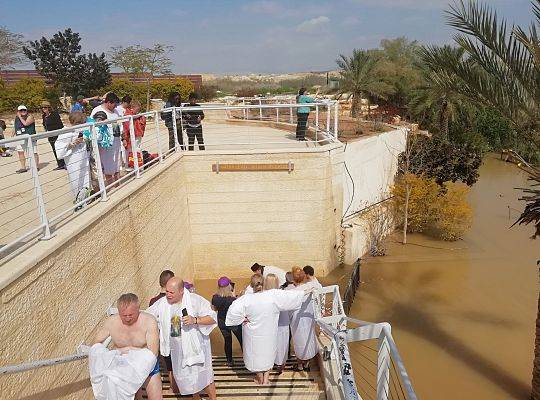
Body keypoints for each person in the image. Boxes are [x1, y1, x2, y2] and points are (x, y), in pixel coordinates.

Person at [147, 277, 218, 400]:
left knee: (205, 378)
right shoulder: (162, 304)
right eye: (167, 291)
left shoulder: (195, 301)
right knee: (189, 383)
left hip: (196, 348)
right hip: (177, 352)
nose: (167, 295)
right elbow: (147, 315)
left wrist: (195, 320)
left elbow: (212, 318)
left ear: (181, 291)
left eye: (171, 292)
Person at [226, 274, 303, 385]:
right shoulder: (273, 296)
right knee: (268, 354)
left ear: (251, 285)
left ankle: (259, 379)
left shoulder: (245, 299)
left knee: (255, 354)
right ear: (263, 283)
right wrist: (306, 290)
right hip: (269, 332)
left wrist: (242, 319)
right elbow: (291, 297)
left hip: (253, 334)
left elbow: (232, 314)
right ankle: (266, 379)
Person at [89, 293, 161, 400]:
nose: (127, 318)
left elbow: (152, 353)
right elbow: (95, 345)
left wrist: (126, 350)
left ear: (138, 309)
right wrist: (110, 356)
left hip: (147, 366)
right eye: (124, 315)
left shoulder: (149, 321)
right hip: (124, 367)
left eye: (131, 315)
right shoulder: (111, 322)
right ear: (118, 312)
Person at [148, 269, 178, 393]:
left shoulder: (152, 301)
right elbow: (175, 320)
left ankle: (172, 387)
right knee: (176, 363)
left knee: (167, 365)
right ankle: (178, 387)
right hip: (173, 335)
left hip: (159, 338)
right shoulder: (174, 299)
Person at [54, 112, 91, 209]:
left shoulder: (81, 130)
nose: (81, 125)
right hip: (73, 161)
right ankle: (78, 202)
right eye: (79, 123)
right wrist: (72, 144)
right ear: (73, 122)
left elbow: (87, 138)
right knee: (76, 180)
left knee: (86, 179)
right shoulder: (66, 132)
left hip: (83, 159)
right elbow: (59, 148)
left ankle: (85, 199)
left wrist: (85, 139)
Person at [288, 266, 322, 371]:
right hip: (308, 318)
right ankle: (307, 364)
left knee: (298, 340)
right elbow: (317, 284)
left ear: (293, 280)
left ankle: (299, 365)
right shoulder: (311, 287)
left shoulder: (292, 292)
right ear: (304, 278)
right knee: (308, 338)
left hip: (296, 321)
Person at [90, 92, 122, 186]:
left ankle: (117, 184)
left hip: (116, 142)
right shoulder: (97, 110)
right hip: (105, 145)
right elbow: (92, 127)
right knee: (108, 167)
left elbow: (118, 124)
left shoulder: (115, 111)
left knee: (117, 165)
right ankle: (111, 186)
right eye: (114, 105)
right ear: (108, 102)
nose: (115, 107)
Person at [211, 276, 242, 367]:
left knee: (227, 341)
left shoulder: (215, 297)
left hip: (222, 323)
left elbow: (214, 308)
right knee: (242, 341)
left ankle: (229, 361)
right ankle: (247, 359)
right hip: (234, 323)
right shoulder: (232, 300)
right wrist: (236, 296)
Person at [263, 274, 290, 374]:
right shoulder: (282, 294)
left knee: (269, 344)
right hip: (282, 323)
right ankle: (281, 366)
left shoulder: (263, 295)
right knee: (282, 344)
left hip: (269, 324)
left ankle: (268, 366)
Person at [13, 105, 39, 173]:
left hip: (30, 137)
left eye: (24, 110)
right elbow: (15, 127)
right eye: (21, 110)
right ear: (18, 111)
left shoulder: (30, 117)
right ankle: (23, 167)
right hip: (20, 137)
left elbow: (26, 124)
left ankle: (36, 166)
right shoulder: (17, 118)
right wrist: (12, 136)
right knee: (20, 152)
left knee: (33, 152)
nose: (23, 111)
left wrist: (19, 116)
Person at [41, 101, 66, 170]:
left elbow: (60, 125)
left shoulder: (55, 114)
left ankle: (65, 163)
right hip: (50, 136)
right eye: (42, 107)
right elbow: (45, 125)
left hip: (57, 134)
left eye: (45, 107)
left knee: (60, 148)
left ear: (49, 107)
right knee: (54, 150)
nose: (44, 109)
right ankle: (60, 164)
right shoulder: (44, 116)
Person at [122, 100, 146, 165]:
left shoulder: (136, 115)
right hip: (130, 137)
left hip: (137, 136)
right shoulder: (127, 115)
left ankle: (138, 165)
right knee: (130, 152)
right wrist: (124, 138)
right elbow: (125, 128)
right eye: (137, 109)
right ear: (132, 108)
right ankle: (132, 166)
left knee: (137, 150)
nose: (138, 111)